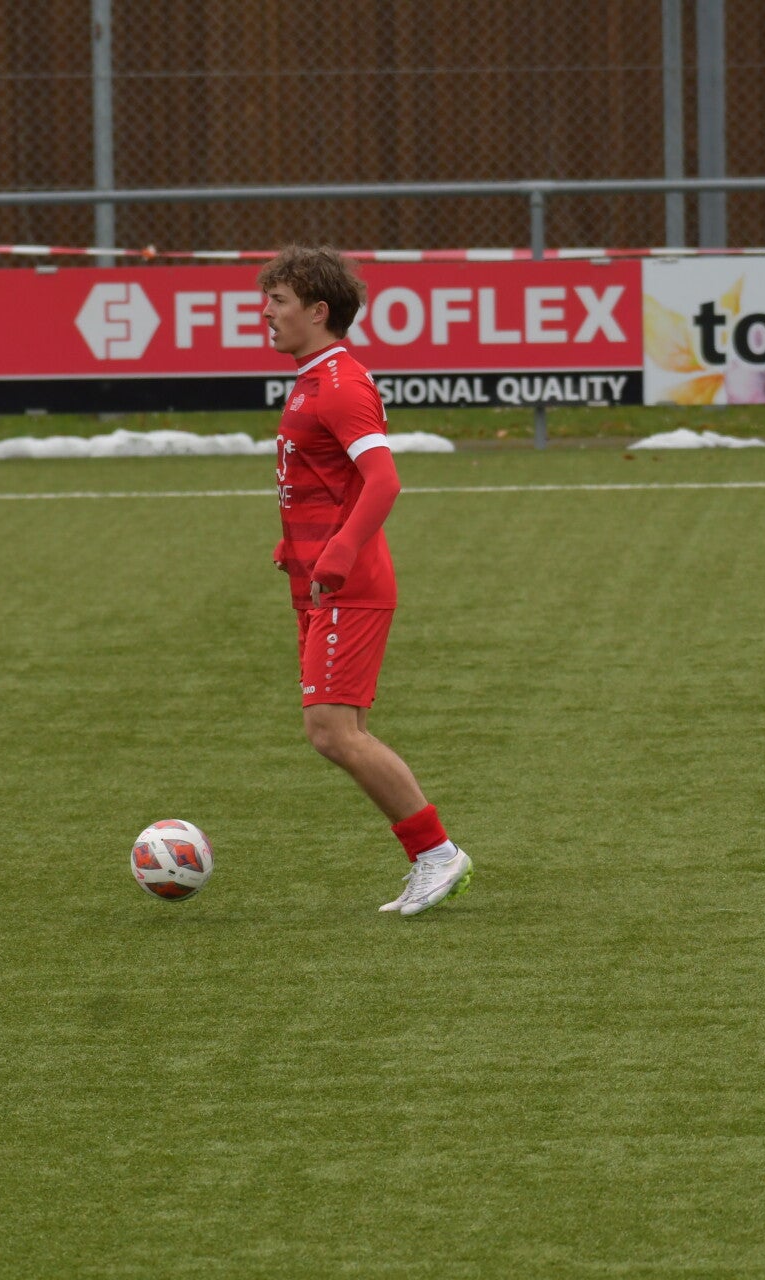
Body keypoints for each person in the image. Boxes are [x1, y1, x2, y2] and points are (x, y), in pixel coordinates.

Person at [259, 245, 473, 916]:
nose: (266, 313)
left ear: (318, 311)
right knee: (337, 729)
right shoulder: (313, 378)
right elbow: (326, 480)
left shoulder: (340, 385)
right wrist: (298, 545)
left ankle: (437, 853)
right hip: (319, 581)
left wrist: (342, 550)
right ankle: (433, 855)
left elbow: (384, 481)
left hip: (347, 585)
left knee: (332, 731)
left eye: (278, 301)